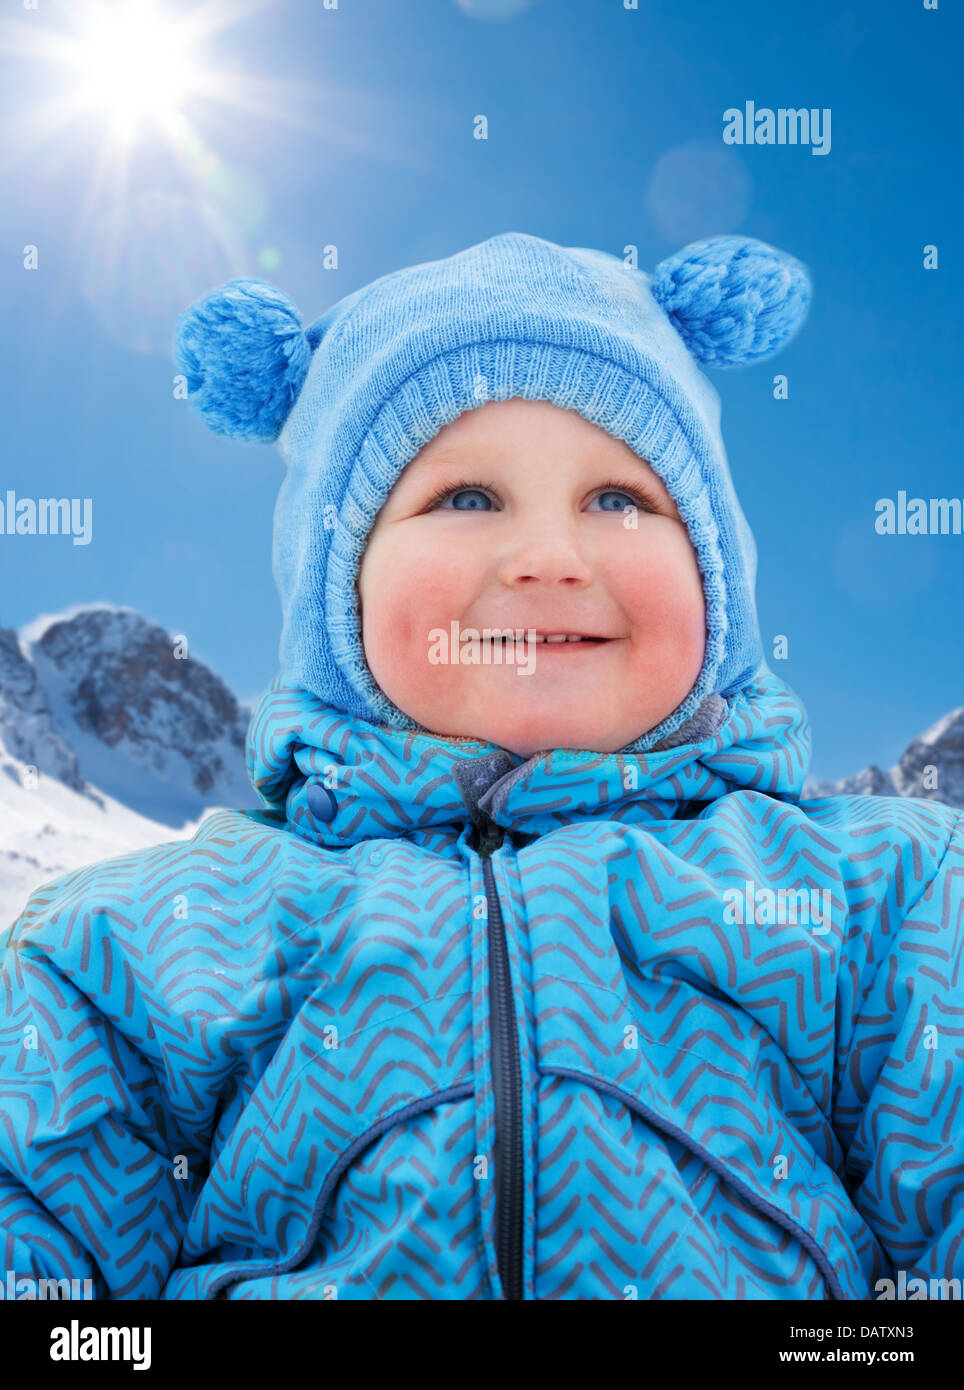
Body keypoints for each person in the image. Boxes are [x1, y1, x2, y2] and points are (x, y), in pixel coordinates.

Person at [1, 231, 961, 1301]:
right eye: (466, 499)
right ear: (340, 595)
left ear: (714, 583)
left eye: (619, 500)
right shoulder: (149, 939)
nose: (550, 556)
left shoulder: (881, 897)